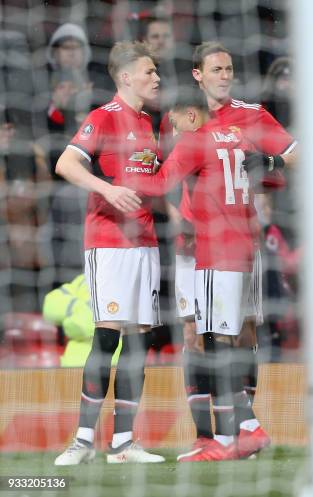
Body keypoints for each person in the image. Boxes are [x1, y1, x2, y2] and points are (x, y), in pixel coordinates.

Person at [158, 41, 297, 462]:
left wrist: (273, 167)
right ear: (197, 74)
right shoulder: (182, 117)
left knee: (244, 333)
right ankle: (208, 437)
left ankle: (241, 431)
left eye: (229, 68)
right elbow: (165, 178)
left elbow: (296, 155)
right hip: (192, 243)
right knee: (195, 335)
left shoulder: (252, 115)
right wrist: (177, 220)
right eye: (216, 69)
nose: (224, 75)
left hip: (239, 241)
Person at [125, 88, 266, 461]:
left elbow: (159, 184)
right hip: (240, 246)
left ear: (190, 114)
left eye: (175, 122)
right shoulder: (237, 135)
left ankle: (242, 430)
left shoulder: (193, 142)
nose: (173, 129)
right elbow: (261, 173)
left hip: (212, 248)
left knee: (221, 339)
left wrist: (132, 168)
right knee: (209, 336)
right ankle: (221, 434)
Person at [53, 41, 164, 465]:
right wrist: (107, 188)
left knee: (140, 341)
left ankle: (123, 443)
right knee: (107, 335)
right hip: (109, 242)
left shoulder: (149, 123)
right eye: (149, 71)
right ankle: (82, 441)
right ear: (125, 77)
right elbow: (65, 164)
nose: (156, 78)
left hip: (146, 242)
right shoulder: (104, 116)